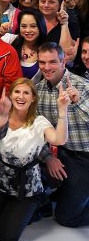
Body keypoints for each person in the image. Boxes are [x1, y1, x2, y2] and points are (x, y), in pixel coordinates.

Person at [0, 77, 69, 241]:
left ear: (33, 98)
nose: (21, 96)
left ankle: (37, 205)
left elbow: (58, 140)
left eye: (26, 93)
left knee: (5, 239)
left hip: (25, 189)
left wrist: (63, 111)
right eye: (17, 92)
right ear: (10, 95)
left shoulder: (39, 122)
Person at [32, 43, 89, 228]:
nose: (47, 67)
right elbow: (38, 132)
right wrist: (48, 158)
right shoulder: (39, 90)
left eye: (52, 62)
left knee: (66, 218)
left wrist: (77, 102)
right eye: (42, 62)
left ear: (64, 61)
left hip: (85, 157)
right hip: (62, 153)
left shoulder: (82, 85)